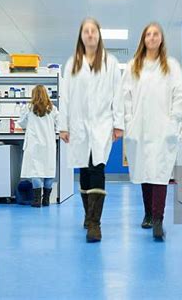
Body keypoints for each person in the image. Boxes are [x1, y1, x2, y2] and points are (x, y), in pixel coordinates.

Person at [58, 18, 124, 243]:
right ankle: (88, 215)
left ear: (99, 35)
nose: (89, 34)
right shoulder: (72, 63)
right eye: (85, 31)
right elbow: (64, 96)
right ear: (81, 36)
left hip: (102, 125)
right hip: (78, 126)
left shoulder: (111, 62)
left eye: (93, 31)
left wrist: (118, 123)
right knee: (84, 173)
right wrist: (63, 126)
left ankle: (95, 223)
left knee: (97, 169)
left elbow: (118, 94)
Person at [122, 22, 182, 240]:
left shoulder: (171, 66)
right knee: (144, 171)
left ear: (161, 39)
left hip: (162, 128)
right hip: (139, 128)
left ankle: (158, 220)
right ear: (143, 39)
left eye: (155, 34)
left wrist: (173, 122)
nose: (151, 37)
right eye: (148, 34)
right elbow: (125, 97)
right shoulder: (134, 66)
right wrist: (129, 122)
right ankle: (148, 214)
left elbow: (180, 95)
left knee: (159, 173)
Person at [18, 85, 58, 208]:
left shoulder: (29, 109)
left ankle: (36, 201)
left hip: (34, 144)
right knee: (48, 171)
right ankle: (46, 200)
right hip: (48, 144)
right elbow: (60, 124)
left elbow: (22, 123)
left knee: (35, 171)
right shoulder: (52, 109)